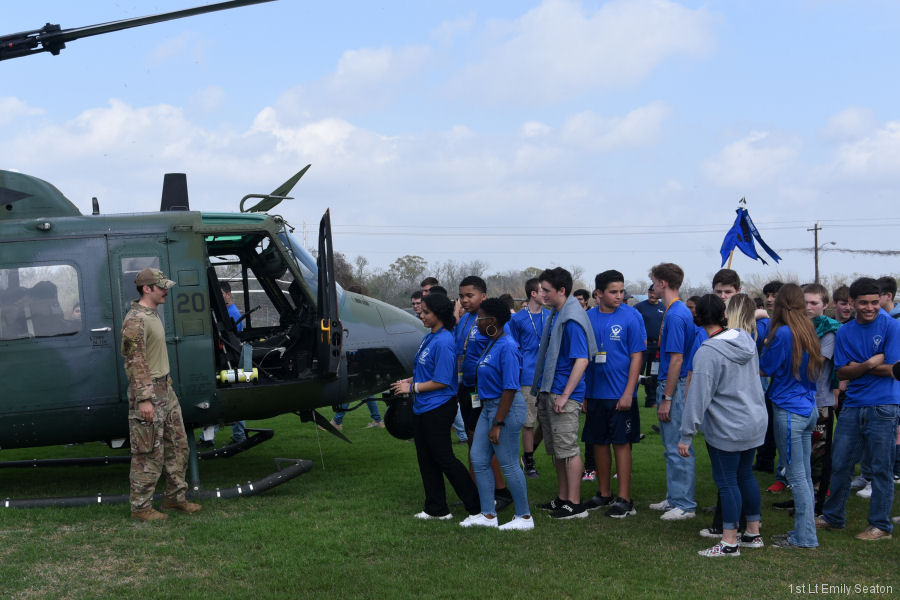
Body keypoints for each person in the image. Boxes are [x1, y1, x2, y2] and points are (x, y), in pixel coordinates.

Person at [679, 294, 766, 557]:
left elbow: (697, 396)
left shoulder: (707, 352)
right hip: (753, 421)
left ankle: (729, 541)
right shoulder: (745, 339)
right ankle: (753, 532)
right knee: (745, 475)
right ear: (723, 315)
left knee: (728, 481)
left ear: (698, 318)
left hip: (729, 426)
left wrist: (686, 434)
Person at [818, 277, 900, 541]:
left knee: (881, 468)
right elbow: (842, 370)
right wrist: (869, 364)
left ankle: (881, 526)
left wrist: (859, 366)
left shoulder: (892, 326)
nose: (870, 308)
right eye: (863, 303)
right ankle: (833, 517)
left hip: (884, 405)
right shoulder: (845, 331)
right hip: (853, 404)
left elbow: (895, 370)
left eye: (875, 302)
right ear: (852, 303)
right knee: (840, 463)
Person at [391, 293, 480, 520]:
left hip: (439, 407)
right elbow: (425, 370)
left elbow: (441, 380)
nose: (421, 315)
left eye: (426, 312)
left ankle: (476, 508)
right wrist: (409, 381)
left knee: (444, 458)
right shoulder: (430, 337)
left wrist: (412, 389)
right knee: (426, 458)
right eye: (421, 311)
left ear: (439, 314)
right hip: (424, 407)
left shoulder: (445, 341)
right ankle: (436, 509)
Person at [122, 268, 201, 521]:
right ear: (147, 289)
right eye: (161, 287)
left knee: (178, 446)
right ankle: (141, 508)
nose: (166, 290)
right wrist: (144, 398)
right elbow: (134, 361)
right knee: (148, 452)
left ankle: (175, 498)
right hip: (149, 393)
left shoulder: (152, 314)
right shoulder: (135, 320)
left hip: (165, 390)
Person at [759, 283, 823, 549]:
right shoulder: (807, 329)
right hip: (807, 408)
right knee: (804, 476)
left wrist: (765, 343)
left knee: (796, 477)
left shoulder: (783, 333)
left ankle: (805, 537)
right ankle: (803, 532)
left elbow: (765, 368)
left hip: (789, 410)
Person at [532, 267, 596, 519]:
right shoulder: (556, 314)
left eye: (546, 290)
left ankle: (575, 504)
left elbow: (582, 360)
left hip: (563, 394)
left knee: (568, 450)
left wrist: (566, 395)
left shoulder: (572, 318)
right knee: (558, 450)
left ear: (561, 290)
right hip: (551, 390)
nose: (541, 295)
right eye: (540, 290)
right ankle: (562, 498)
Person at [465, 298, 533, 531]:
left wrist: (498, 423)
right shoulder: (492, 343)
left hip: (506, 410)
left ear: (492, 321)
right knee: (478, 458)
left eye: (480, 318)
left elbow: (510, 387)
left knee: (508, 463)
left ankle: (524, 517)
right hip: (489, 408)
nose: (477, 323)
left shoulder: (507, 346)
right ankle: (487, 514)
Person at [582, 270, 645, 518]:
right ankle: (604, 493)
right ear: (598, 293)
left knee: (621, 443)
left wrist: (629, 392)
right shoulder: (587, 317)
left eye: (621, 291)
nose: (619, 296)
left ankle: (625, 498)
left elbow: (637, 355)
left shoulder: (632, 316)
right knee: (598, 442)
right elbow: (583, 357)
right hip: (595, 393)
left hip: (620, 394)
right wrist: (585, 393)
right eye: (613, 291)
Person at [456, 276, 511, 509]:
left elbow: (503, 354)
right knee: (471, 439)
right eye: (461, 296)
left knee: (488, 441)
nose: (465, 300)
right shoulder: (464, 320)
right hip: (466, 388)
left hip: (485, 391)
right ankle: (475, 491)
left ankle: (501, 492)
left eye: (470, 295)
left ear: (483, 296)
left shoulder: (494, 323)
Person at [648, 262, 698, 521]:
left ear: (663, 283)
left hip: (674, 387)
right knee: (670, 445)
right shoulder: (673, 311)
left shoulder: (677, 314)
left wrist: (667, 398)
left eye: (654, 282)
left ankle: (685, 504)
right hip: (671, 385)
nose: (653, 287)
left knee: (679, 445)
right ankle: (675, 496)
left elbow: (676, 359)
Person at [508, 277, 548, 478]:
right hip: (527, 377)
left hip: (547, 376)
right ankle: (529, 460)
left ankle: (529, 451)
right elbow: (513, 348)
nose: (546, 294)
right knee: (528, 421)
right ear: (533, 293)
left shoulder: (550, 316)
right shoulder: (517, 320)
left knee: (547, 420)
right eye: (543, 291)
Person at [220, 281, 247, 444]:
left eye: (221, 294)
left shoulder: (232, 313)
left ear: (228, 295)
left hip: (232, 359)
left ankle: (239, 435)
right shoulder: (227, 311)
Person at [634, 284, 665, 408]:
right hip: (642, 346)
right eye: (650, 292)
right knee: (637, 371)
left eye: (654, 292)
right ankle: (632, 397)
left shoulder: (664, 307)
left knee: (654, 373)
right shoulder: (639, 307)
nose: (652, 295)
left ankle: (651, 400)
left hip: (657, 347)